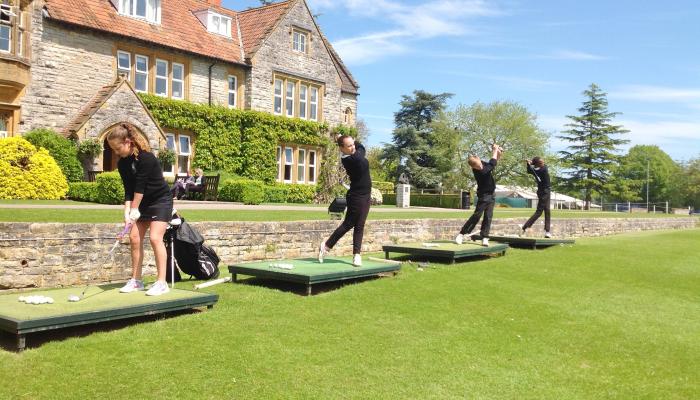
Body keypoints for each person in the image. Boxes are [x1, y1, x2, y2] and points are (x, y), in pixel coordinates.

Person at [107, 122, 172, 296]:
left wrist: (134, 210)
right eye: (113, 149)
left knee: (155, 238)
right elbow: (129, 190)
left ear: (128, 142)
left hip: (160, 201)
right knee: (134, 238)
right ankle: (136, 281)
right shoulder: (122, 164)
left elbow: (140, 187)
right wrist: (127, 214)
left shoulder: (146, 158)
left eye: (118, 148)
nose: (116, 152)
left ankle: (162, 282)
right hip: (140, 203)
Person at [318, 135, 371, 267]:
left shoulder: (354, 153)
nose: (353, 147)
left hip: (366, 195)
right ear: (342, 149)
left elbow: (360, 147)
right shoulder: (350, 159)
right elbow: (361, 149)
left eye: (353, 144)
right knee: (348, 224)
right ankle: (326, 245)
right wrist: (354, 143)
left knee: (360, 225)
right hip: (356, 196)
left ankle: (356, 255)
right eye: (349, 146)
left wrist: (347, 139)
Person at [455, 143, 503, 247]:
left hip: (492, 194)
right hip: (484, 195)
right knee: (477, 215)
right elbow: (493, 163)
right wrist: (495, 150)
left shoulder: (483, 164)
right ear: (473, 167)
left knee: (488, 216)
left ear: (479, 160)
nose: (479, 166)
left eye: (479, 164)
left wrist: (498, 152)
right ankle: (461, 234)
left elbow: (495, 160)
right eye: (476, 166)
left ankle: (485, 237)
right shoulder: (481, 171)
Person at [520, 156, 552, 237]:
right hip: (545, 192)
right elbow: (545, 167)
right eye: (541, 162)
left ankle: (547, 231)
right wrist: (531, 163)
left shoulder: (535, 170)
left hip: (543, 191)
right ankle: (525, 227)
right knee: (539, 212)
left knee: (547, 210)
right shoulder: (543, 170)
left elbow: (529, 170)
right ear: (538, 164)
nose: (543, 163)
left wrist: (529, 164)